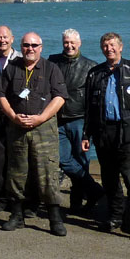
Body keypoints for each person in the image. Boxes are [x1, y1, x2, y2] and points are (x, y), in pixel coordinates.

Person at [82, 32, 130, 243]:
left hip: (128, 134)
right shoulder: (94, 74)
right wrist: (86, 134)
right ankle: (114, 217)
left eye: (112, 45)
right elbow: (89, 108)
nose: (109, 49)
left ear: (121, 47)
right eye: (105, 46)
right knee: (109, 179)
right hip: (104, 134)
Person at [0, 32, 69, 236]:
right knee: (16, 173)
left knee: (48, 173)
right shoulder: (12, 68)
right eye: (26, 45)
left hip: (43, 129)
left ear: (41, 47)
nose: (30, 48)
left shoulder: (51, 69)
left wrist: (41, 117)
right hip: (17, 128)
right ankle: (17, 216)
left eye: (34, 45)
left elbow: (60, 97)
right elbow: (0, 95)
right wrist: (12, 116)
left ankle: (55, 219)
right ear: (21, 46)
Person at [48, 29, 103, 213]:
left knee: (82, 162)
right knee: (63, 159)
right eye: (66, 42)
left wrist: (91, 127)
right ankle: (95, 190)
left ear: (79, 43)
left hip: (80, 120)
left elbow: (94, 100)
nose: (69, 46)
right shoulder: (53, 62)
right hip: (58, 119)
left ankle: (77, 202)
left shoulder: (90, 67)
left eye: (72, 42)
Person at [0, 25, 22, 208]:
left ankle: (16, 196)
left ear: (12, 38)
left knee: (17, 157)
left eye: (5, 37)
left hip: (16, 115)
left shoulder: (21, 59)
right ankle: (0, 194)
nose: (2, 40)